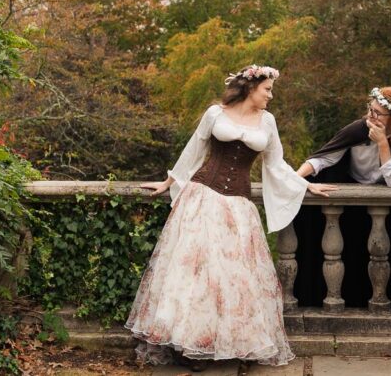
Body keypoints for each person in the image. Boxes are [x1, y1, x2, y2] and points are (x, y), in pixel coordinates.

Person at [126, 65, 335, 370]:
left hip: (238, 204)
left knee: (232, 279)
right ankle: (189, 346)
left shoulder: (268, 121)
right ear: (251, 88)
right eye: (267, 89)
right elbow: (193, 150)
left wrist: (306, 183)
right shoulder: (215, 113)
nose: (270, 96)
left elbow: (276, 164)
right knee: (195, 274)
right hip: (202, 197)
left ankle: (220, 344)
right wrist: (169, 182)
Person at [292, 86, 391, 309]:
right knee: (349, 257)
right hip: (351, 207)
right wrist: (296, 178)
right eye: (370, 109)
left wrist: (383, 143)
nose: (370, 116)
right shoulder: (357, 129)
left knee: (388, 258)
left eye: (377, 113)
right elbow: (323, 159)